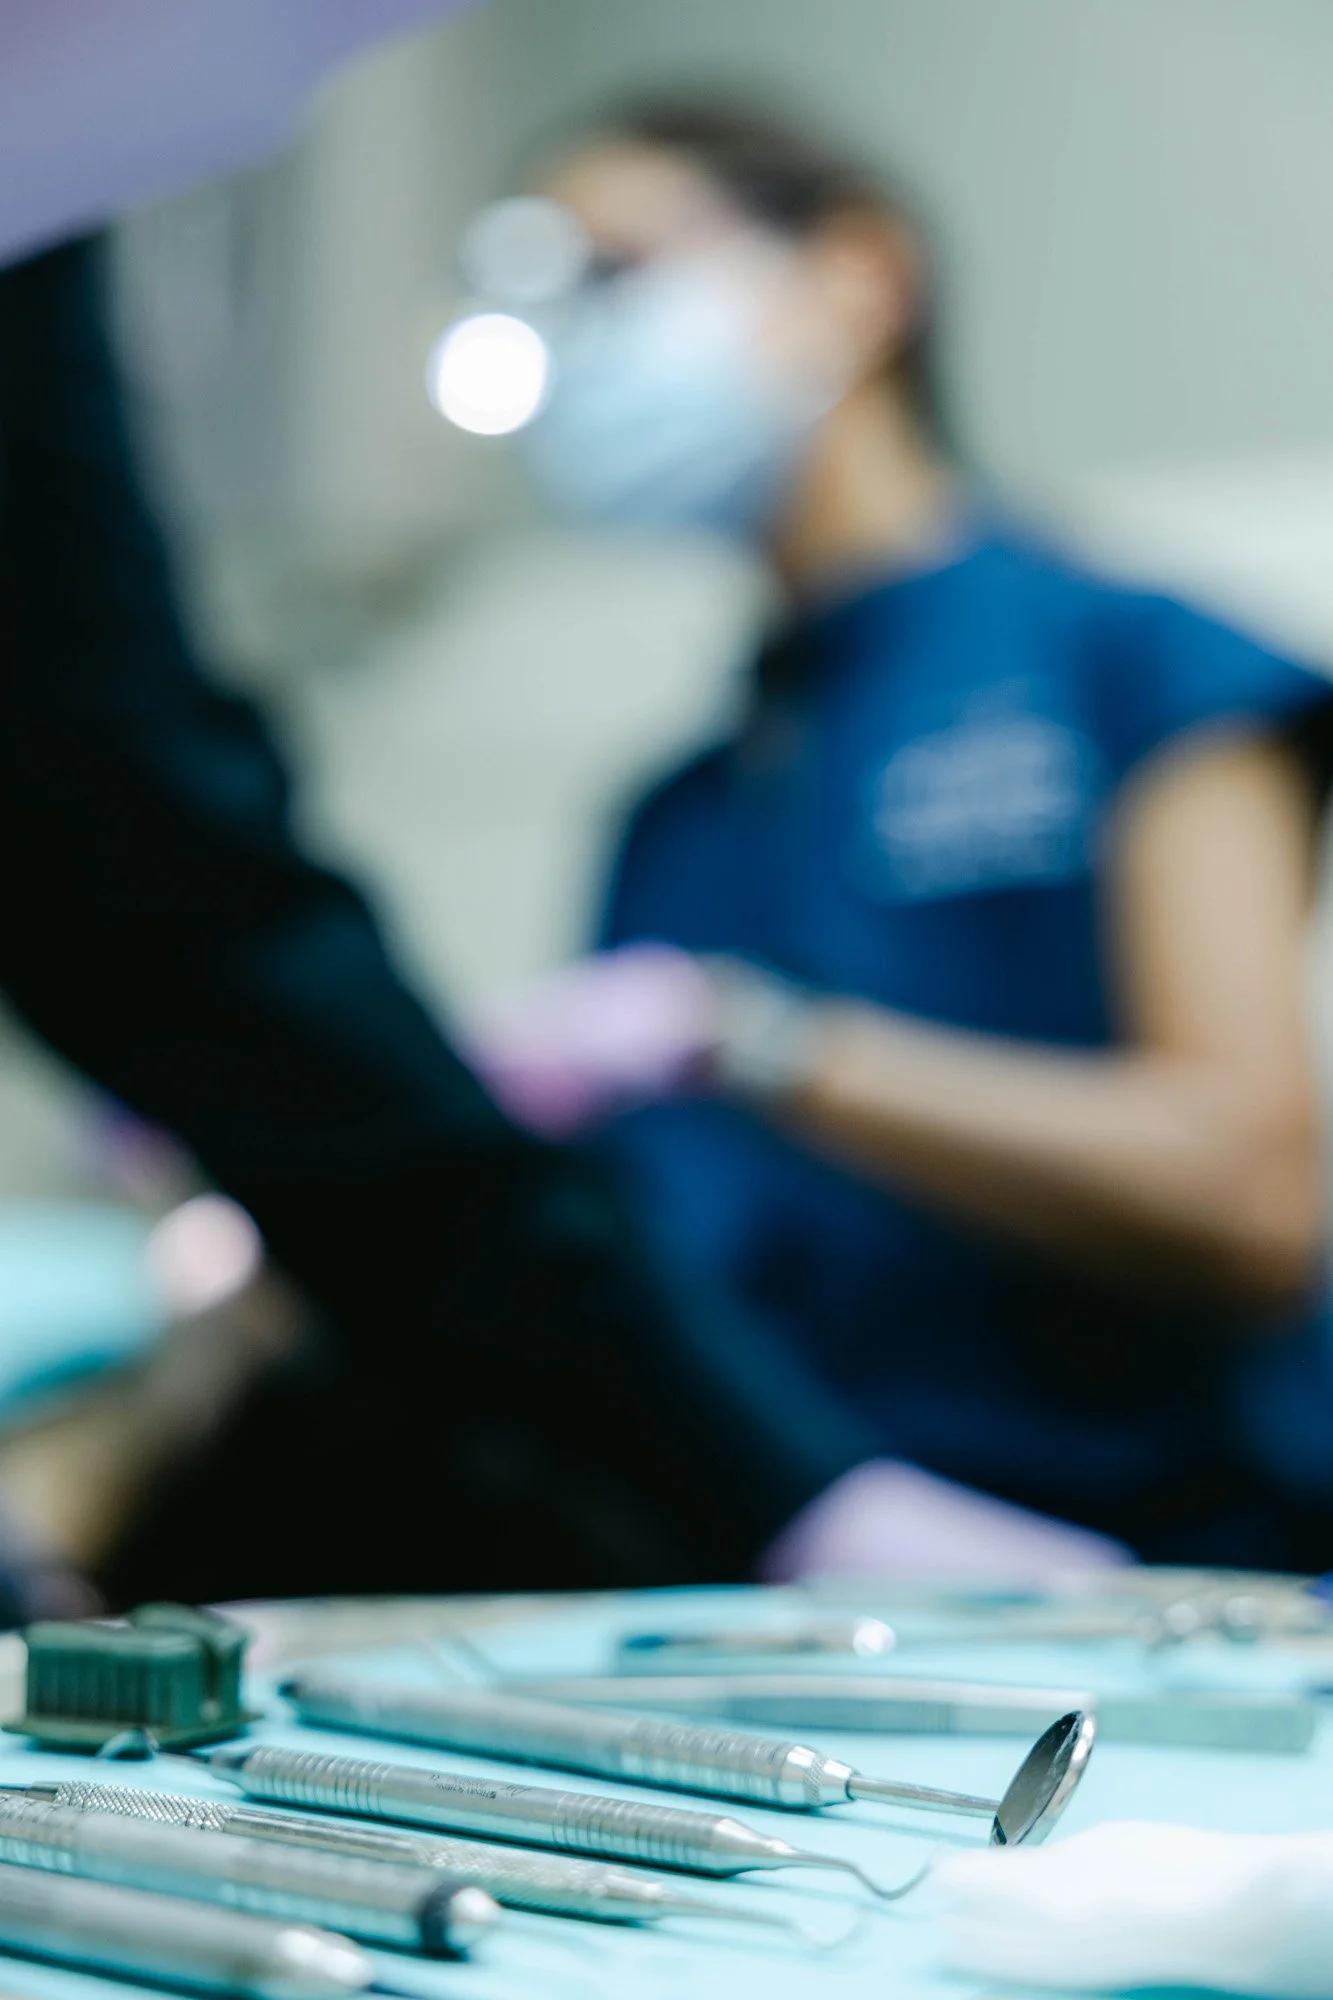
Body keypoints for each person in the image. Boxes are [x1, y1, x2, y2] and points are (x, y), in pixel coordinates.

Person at [472, 100, 1333, 1576]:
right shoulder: (682, 806)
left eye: (614, 277)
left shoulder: (1137, 669)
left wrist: (751, 1040)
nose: (574, 360)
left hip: (1154, 1595)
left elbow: (1254, 1195)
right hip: (768, 1596)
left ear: (858, 279)